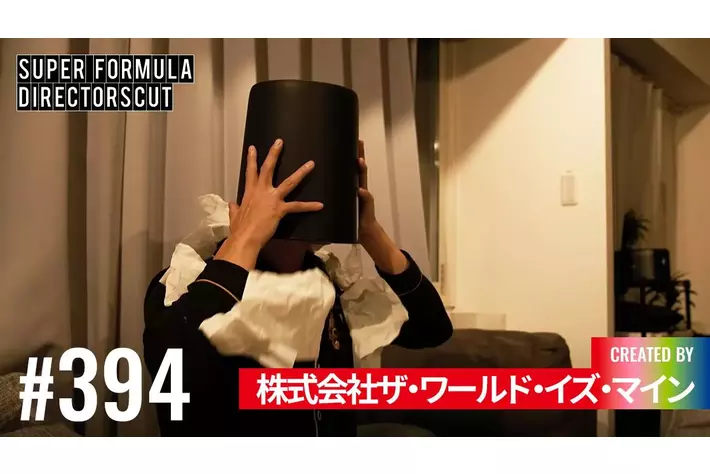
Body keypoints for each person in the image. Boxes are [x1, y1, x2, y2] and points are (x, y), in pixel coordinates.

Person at [143, 138, 453, 436]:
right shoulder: (185, 282)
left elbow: (432, 329)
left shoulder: (329, 285)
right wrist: (247, 237)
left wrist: (370, 232)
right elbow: (176, 381)